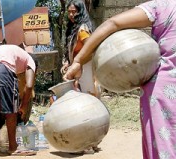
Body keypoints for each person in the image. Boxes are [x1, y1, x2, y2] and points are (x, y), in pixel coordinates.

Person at [63, 0, 176, 158]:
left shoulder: (164, 6)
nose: (71, 15)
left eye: (74, 11)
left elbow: (113, 23)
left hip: (164, 93)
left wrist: (77, 61)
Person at [0, 44, 37, 156]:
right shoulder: (31, 61)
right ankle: (13, 147)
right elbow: (29, 86)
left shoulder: (14, 52)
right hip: (4, 68)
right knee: (11, 110)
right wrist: (24, 106)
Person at [61, 0, 101, 98]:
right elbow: (71, 50)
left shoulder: (83, 29)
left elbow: (91, 50)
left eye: (74, 11)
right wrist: (67, 63)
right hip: (78, 68)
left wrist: (77, 64)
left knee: (88, 95)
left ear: (81, 11)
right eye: (69, 12)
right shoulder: (73, 28)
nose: (71, 15)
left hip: (86, 67)